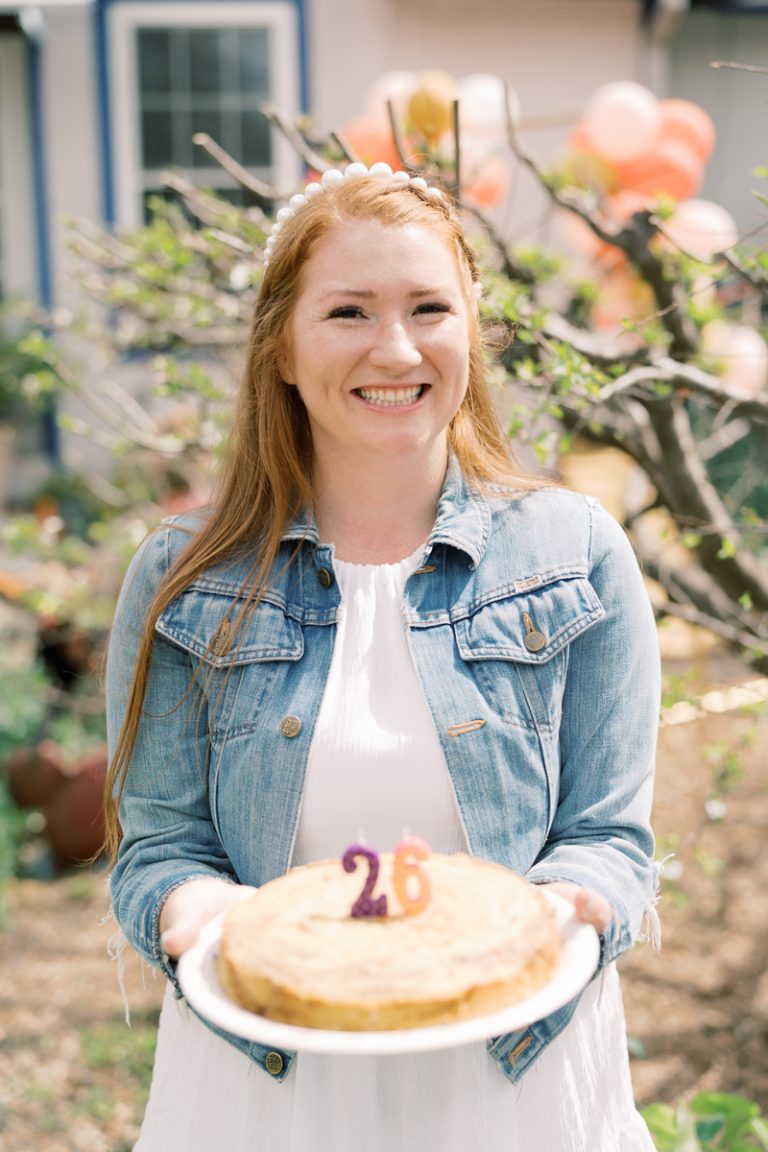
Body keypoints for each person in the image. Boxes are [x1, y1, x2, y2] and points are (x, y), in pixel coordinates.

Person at [105, 162, 661, 1152]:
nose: (396, 348)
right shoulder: (182, 581)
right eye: (349, 311)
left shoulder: (577, 555)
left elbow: (609, 840)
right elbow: (158, 851)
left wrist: (572, 902)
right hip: (268, 1090)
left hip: (513, 1083)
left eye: (429, 307)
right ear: (281, 345)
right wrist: (198, 912)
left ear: (470, 330)